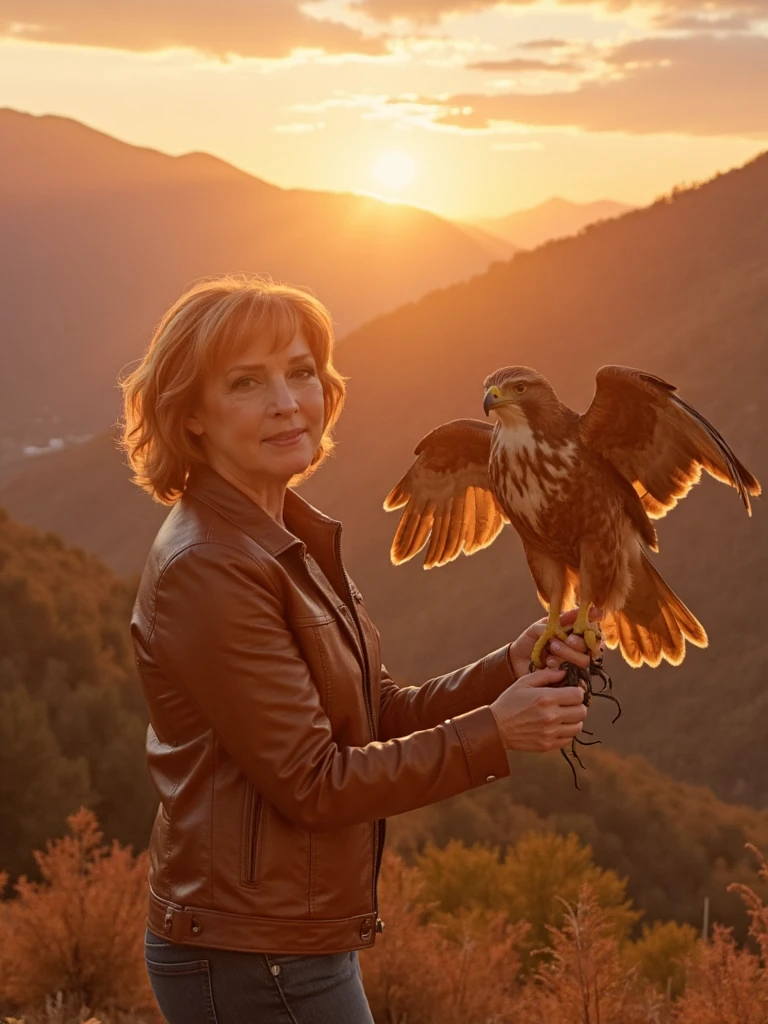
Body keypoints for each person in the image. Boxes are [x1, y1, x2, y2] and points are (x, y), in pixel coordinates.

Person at [120, 275, 591, 1024]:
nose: (287, 402)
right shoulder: (212, 566)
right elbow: (315, 783)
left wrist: (505, 669)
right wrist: (495, 733)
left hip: (280, 939)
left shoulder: (280, 536)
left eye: (300, 372)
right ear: (192, 414)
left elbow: (371, 713)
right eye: (246, 382)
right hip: (253, 955)